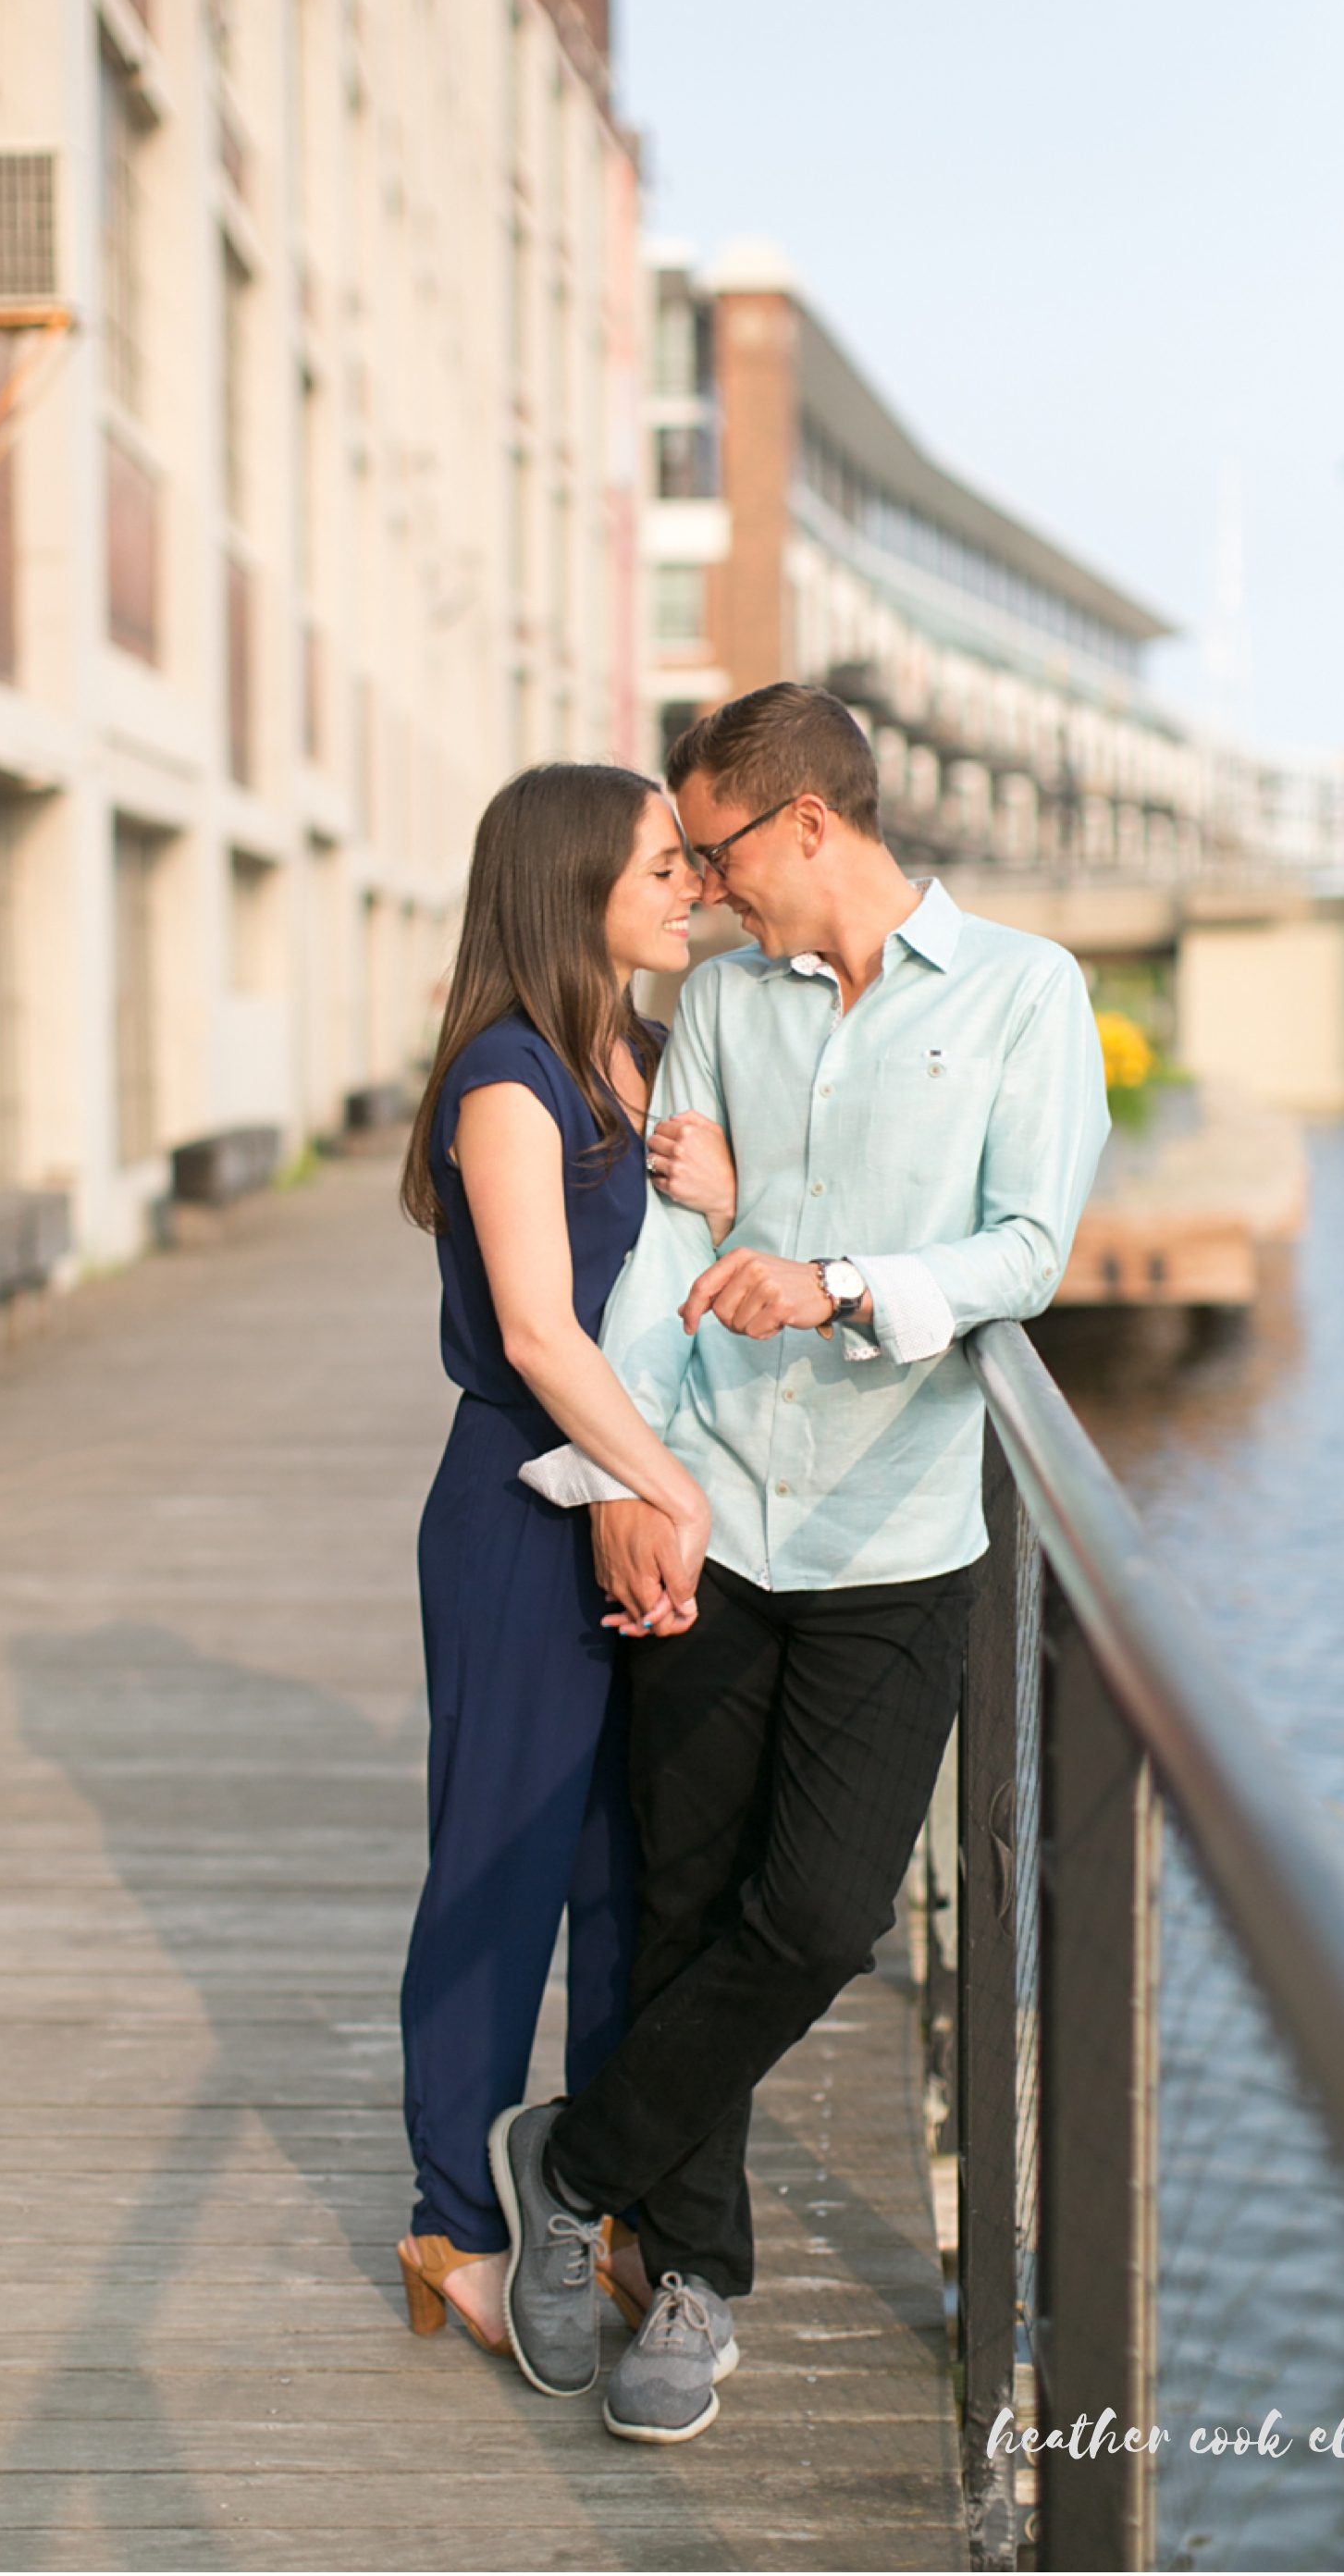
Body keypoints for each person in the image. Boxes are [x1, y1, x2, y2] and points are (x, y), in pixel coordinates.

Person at [491, 680, 1111, 2445]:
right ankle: (691, 2280)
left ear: (810, 827)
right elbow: (666, 1264)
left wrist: (840, 1281)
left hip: (892, 1534)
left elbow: (1029, 1246)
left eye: (717, 849)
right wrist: (634, 1470)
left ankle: (573, 2148)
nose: (702, 885)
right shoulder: (723, 1008)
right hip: (715, 1508)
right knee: (687, 1900)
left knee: (823, 1914)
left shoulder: (1023, 994)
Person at [395, 760, 734, 2360]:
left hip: (627, 1494)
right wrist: (663, 1484)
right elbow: (536, 1330)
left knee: (628, 1878)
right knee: (501, 1866)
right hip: (519, 1513)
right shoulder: (506, 1074)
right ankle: (453, 2214)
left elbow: (691, 1279)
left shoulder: (648, 1057)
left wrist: (735, 1197)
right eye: (664, 865)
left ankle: (591, 2189)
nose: (694, 887)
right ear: (570, 881)